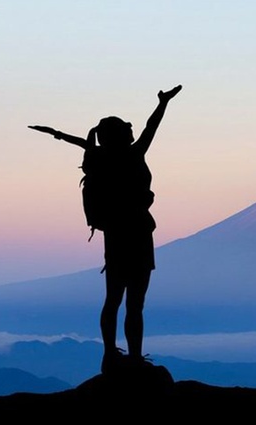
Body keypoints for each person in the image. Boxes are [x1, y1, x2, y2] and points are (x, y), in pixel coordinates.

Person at [29, 85, 182, 374]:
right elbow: (152, 127)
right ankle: (134, 357)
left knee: (113, 298)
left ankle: (109, 353)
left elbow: (85, 146)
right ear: (122, 135)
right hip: (138, 233)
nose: (132, 131)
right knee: (135, 302)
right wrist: (163, 103)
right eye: (127, 130)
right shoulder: (135, 154)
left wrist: (58, 134)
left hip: (115, 235)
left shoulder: (101, 159)